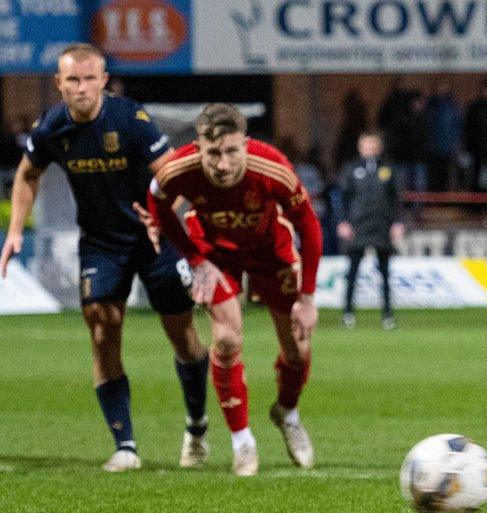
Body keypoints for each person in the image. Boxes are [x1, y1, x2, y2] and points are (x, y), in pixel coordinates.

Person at [0, 44, 210, 473]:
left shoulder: (131, 120)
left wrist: (163, 216)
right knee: (101, 324)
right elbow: (27, 173)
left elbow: (175, 177)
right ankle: (125, 445)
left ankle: (196, 424)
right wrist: (17, 230)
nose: (82, 88)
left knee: (181, 333)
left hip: (154, 238)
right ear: (59, 84)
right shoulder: (51, 128)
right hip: (101, 242)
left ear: (104, 81)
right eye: (72, 80)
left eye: (89, 79)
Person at [142, 103, 323, 476]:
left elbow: (308, 225)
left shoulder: (272, 168)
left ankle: (287, 413)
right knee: (225, 341)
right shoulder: (180, 167)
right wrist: (194, 258)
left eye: (231, 152)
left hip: (269, 252)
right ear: (198, 147)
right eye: (213, 154)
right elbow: (156, 199)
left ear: (246, 143)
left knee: (299, 348)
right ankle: (243, 442)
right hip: (213, 255)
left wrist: (307, 297)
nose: (223, 164)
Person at [332, 129, 404, 330]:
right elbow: (341, 198)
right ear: (360, 146)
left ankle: (388, 315)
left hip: (381, 227)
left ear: (378, 147)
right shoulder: (350, 169)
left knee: (385, 273)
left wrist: (398, 222)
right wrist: (343, 222)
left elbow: (396, 199)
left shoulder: (388, 169)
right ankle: (348, 313)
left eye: (373, 145)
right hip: (358, 228)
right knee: (352, 272)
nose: (369, 148)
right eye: (366, 145)